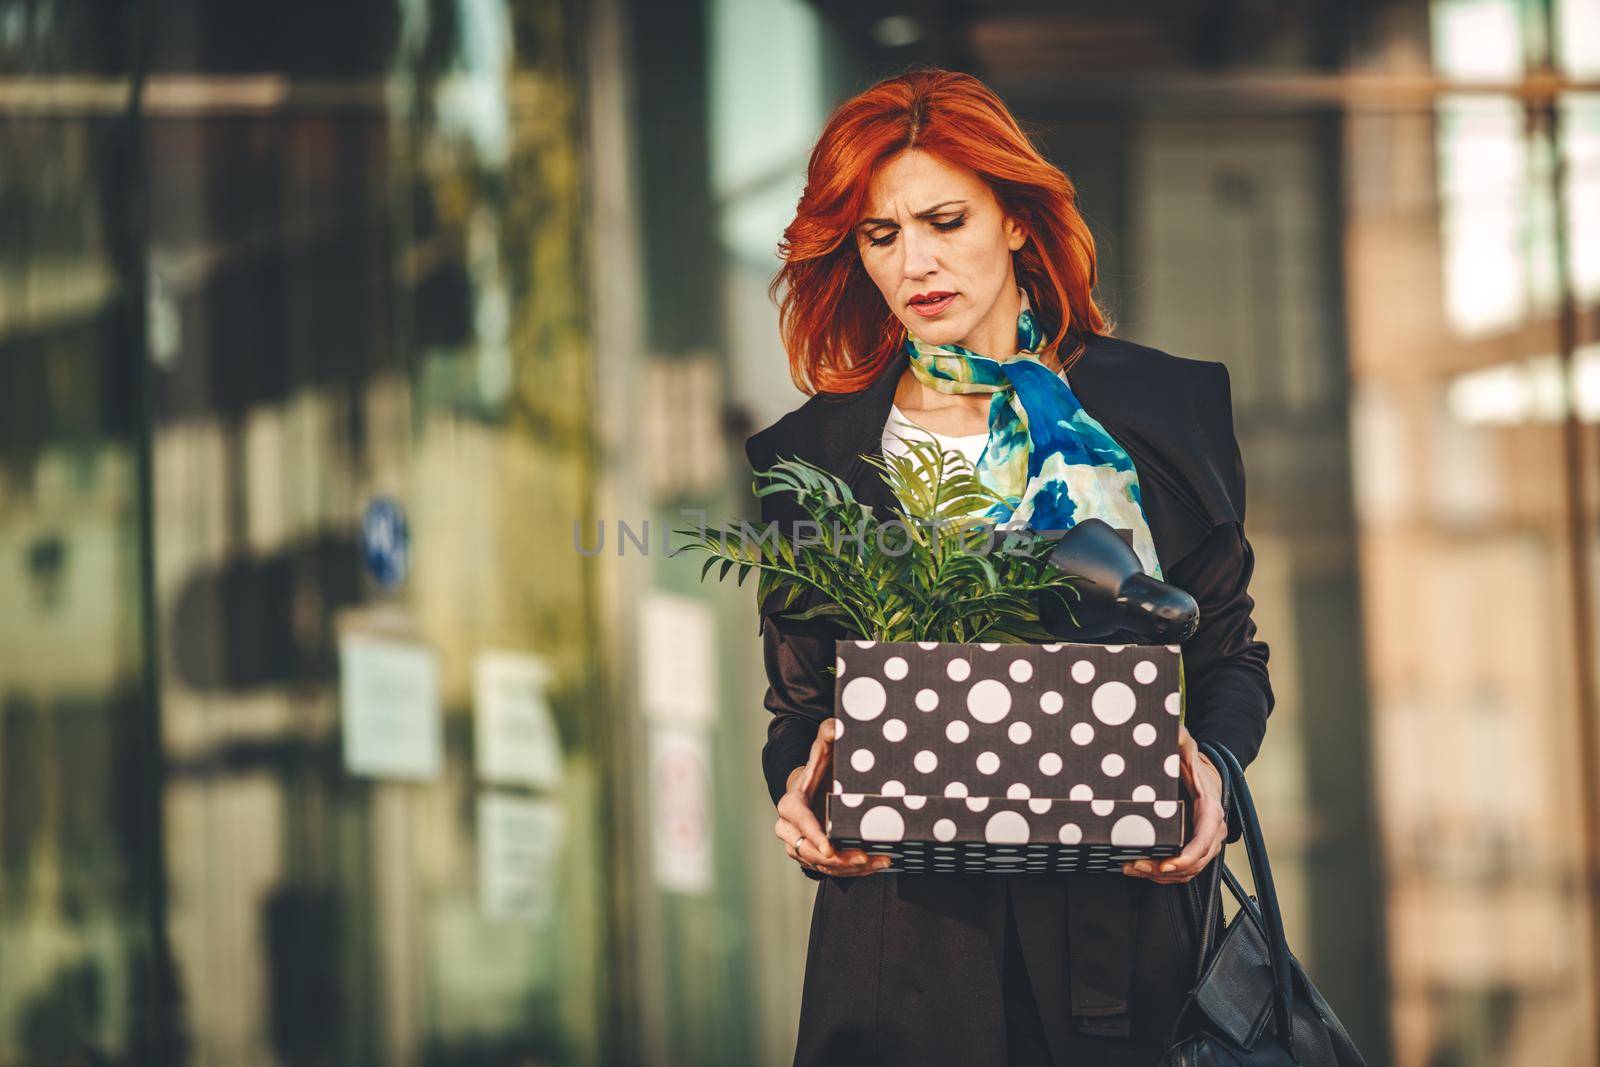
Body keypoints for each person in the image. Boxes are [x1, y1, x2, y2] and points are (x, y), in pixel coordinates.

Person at [744, 68, 1273, 1067]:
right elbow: (802, 708)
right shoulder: (807, 455)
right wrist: (802, 796)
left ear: (1017, 219)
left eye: (945, 220)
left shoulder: (1163, 408)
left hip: (1121, 942)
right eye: (881, 234)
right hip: (900, 960)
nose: (917, 261)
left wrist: (1212, 770)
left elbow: (1227, 653)